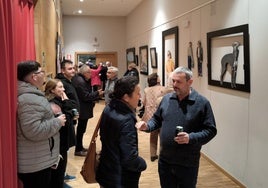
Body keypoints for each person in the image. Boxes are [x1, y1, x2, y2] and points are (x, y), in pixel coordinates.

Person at [136, 67, 217, 188]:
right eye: (173, 81)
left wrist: (191, 137)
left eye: (178, 82)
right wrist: (147, 126)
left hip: (187, 163)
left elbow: (210, 130)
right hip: (165, 161)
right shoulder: (167, 100)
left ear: (190, 82)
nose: (174, 85)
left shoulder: (201, 103)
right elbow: (157, 119)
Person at [17, 60, 66, 188]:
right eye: (42, 72)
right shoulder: (29, 98)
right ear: (34, 77)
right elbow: (33, 131)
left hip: (38, 158)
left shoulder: (30, 95)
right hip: (35, 163)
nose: (44, 75)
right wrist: (57, 121)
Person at [96, 76, 147, 188]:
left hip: (106, 171)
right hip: (121, 178)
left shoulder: (109, 108)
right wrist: (143, 164)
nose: (140, 97)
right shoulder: (126, 120)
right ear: (126, 97)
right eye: (137, 93)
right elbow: (130, 159)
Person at [45, 79, 78, 188]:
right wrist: (70, 114)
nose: (63, 89)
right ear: (52, 90)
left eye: (63, 87)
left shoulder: (60, 101)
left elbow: (72, 111)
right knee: (57, 171)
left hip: (63, 142)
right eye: (60, 87)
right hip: (58, 143)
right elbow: (64, 122)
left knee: (60, 170)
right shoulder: (53, 105)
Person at [72, 64, 103, 156]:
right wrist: (97, 93)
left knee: (81, 129)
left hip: (82, 107)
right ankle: (78, 149)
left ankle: (80, 147)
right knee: (81, 129)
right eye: (89, 72)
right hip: (82, 108)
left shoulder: (79, 79)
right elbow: (86, 96)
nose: (91, 74)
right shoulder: (80, 82)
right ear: (85, 73)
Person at [55, 59, 79, 180]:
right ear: (63, 70)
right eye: (69, 69)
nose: (73, 70)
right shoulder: (62, 83)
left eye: (73, 68)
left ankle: (62, 174)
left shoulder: (69, 82)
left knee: (66, 150)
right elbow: (66, 104)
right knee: (63, 150)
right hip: (65, 121)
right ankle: (61, 175)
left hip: (70, 119)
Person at [141, 73, 168, 162]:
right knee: (162, 134)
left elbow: (144, 103)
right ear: (157, 80)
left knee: (153, 134)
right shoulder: (163, 89)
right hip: (160, 113)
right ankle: (163, 153)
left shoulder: (146, 90)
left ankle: (153, 154)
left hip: (150, 114)